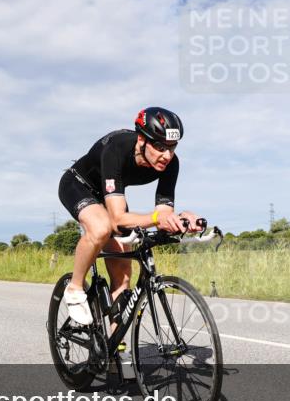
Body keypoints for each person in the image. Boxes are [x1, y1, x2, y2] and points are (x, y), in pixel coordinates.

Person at [57, 107, 203, 326]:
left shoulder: (171, 164)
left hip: (111, 196)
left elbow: (162, 213)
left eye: (172, 148)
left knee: (123, 276)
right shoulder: (117, 148)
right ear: (141, 139)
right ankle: (75, 289)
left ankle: (118, 351)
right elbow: (117, 219)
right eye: (160, 147)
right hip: (78, 186)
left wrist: (181, 219)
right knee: (101, 227)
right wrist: (156, 218)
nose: (167, 155)